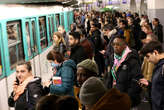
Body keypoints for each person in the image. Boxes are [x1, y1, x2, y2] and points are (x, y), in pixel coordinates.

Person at [104, 34, 143, 108]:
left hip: (128, 101)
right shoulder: (113, 58)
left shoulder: (132, 60)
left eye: (118, 44)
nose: (115, 46)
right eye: (113, 44)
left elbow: (137, 81)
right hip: (115, 97)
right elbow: (111, 77)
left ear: (125, 46)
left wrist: (127, 97)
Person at [139, 41, 164, 110]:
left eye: (148, 56)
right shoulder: (158, 66)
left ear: (155, 52)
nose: (148, 60)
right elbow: (160, 86)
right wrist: (149, 84)